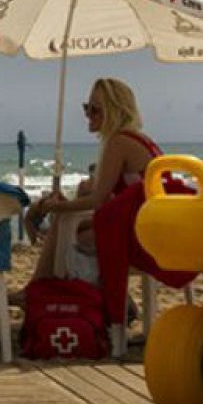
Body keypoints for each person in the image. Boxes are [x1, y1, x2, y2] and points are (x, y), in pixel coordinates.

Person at [24, 79, 157, 282]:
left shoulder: (119, 142)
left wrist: (53, 207)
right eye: (86, 108)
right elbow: (109, 198)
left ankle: (45, 286)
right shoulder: (138, 139)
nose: (88, 115)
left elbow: (97, 200)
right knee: (67, 223)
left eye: (95, 110)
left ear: (114, 111)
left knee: (67, 229)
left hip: (140, 236)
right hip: (144, 227)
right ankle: (44, 285)